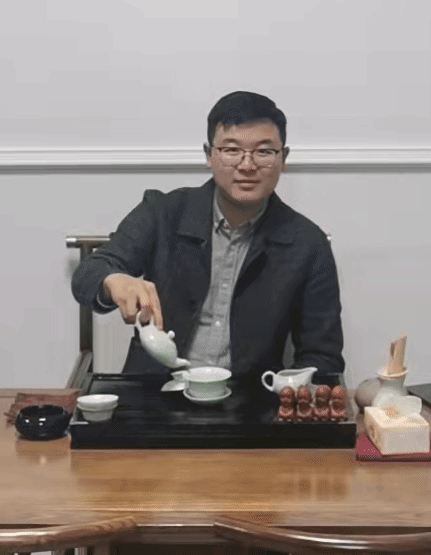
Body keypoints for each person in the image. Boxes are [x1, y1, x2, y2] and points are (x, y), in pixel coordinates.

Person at [70, 91, 344, 380]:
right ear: (209, 155)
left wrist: (287, 391)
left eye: (264, 152)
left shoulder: (307, 244)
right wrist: (113, 280)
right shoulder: (163, 213)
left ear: (283, 158)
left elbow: (322, 357)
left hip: (249, 398)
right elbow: (88, 274)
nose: (247, 165)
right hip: (153, 392)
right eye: (231, 150)